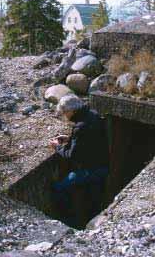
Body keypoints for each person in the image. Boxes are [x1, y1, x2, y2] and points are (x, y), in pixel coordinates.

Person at [49, 95, 109, 228]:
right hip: (103, 166)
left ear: (72, 111)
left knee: (59, 189)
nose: (65, 116)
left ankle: (67, 222)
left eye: (65, 113)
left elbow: (71, 155)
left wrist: (57, 146)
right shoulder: (93, 115)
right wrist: (69, 139)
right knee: (93, 200)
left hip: (90, 170)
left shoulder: (80, 127)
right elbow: (88, 140)